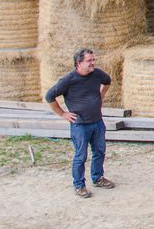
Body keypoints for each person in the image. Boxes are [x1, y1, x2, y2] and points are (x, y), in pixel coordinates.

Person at [45, 48, 116, 198]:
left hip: (97, 122)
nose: (93, 63)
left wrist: (100, 96)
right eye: (89, 61)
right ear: (79, 63)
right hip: (80, 125)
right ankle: (79, 185)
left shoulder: (97, 74)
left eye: (93, 60)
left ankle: (98, 178)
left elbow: (108, 81)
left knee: (99, 151)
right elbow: (49, 96)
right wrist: (63, 114)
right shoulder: (68, 80)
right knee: (81, 156)